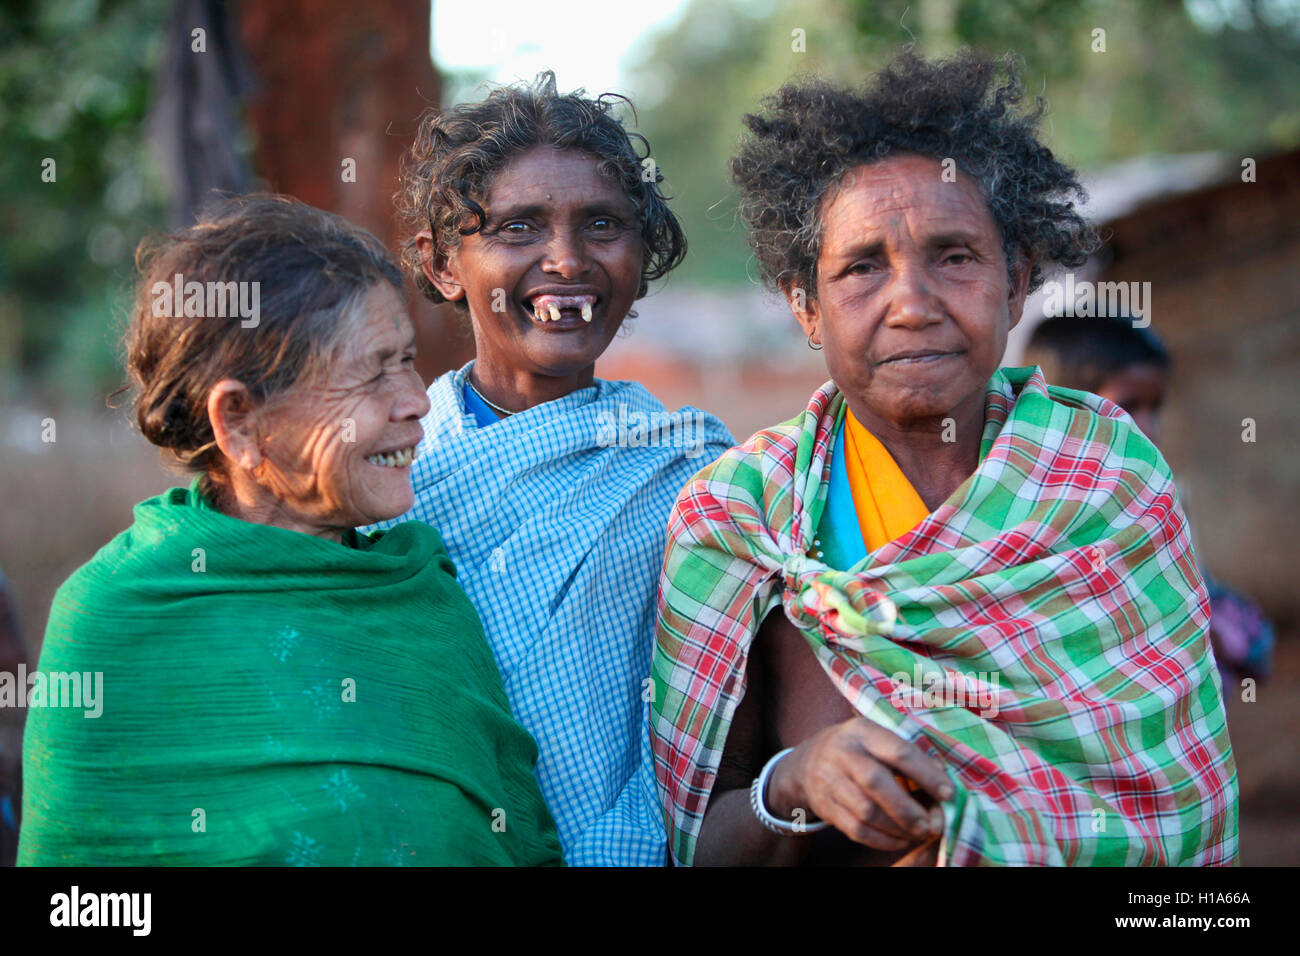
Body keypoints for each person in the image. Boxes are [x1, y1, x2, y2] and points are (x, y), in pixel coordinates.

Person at [651, 49, 1238, 866]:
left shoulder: (1107, 476)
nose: (912, 306)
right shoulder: (742, 519)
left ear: (1018, 280)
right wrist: (795, 783)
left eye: (955, 257)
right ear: (805, 306)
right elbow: (695, 846)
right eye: (861, 268)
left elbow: (1172, 817)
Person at [19, 195, 564, 867]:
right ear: (240, 421)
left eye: (406, 359)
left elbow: (524, 846)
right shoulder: (118, 616)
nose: (417, 400)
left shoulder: (423, 599)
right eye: (372, 372)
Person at [371, 72, 733, 866]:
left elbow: (723, 743)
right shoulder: (380, 481)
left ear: (642, 252)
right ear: (441, 266)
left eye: (602, 224)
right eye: (519, 228)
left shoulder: (697, 473)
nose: (566, 260)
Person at [1024, 314, 1274, 687]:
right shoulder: (1030, 511)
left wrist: (1220, 634)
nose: (1149, 427)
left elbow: (1196, 593)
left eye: (1154, 408)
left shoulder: (1153, 497)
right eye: (1129, 406)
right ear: (1065, 404)